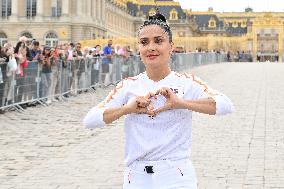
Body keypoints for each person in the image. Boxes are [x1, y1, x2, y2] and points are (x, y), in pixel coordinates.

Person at [83, 13, 234, 189]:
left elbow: (226, 105)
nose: (151, 47)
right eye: (144, 42)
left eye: (158, 41)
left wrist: (181, 103)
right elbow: (89, 120)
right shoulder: (128, 85)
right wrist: (127, 109)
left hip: (176, 175)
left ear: (171, 47)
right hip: (137, 177)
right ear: (138, 48)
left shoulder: (186, 82)